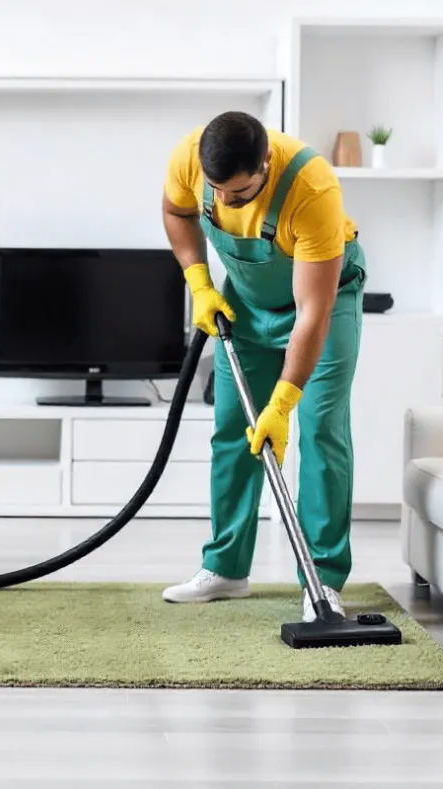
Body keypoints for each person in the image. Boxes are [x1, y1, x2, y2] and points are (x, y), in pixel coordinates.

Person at [159, 111, 366, 621]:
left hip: (325, 304)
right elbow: (175, 211)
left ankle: (322, 580)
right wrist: (200, 284)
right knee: (233, 430)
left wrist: (285, 400)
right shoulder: (190, 157)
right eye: (218, 191)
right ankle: (227, 568)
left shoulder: (312, 189)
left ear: (267, 164)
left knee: (321, 432)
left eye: (241, 193)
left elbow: (312, 313)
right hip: (246, 305)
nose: (226, 202)